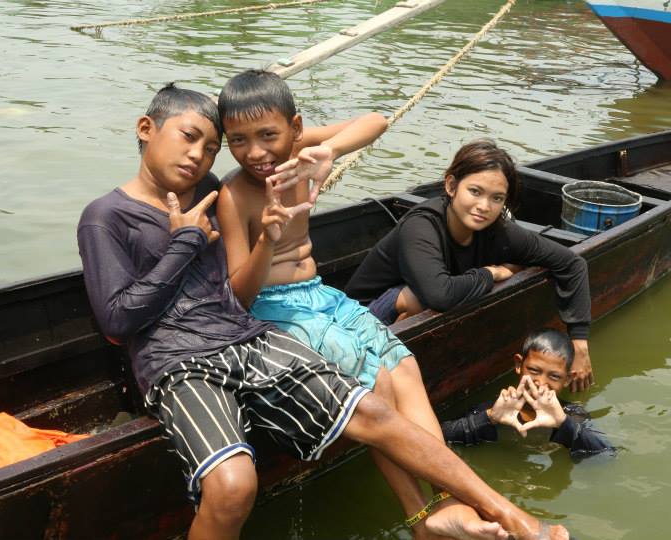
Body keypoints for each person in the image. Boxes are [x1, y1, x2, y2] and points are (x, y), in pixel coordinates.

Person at [76, 83, 569, 540]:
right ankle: (432, 513)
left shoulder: (209, 185)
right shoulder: (107, 216)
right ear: (146, 130)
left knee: (374, 405)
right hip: (178, 359)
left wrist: (314, 163)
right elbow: (118, 321)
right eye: (190, 138)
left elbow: (344, 129)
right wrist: (186, 239)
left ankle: (504, 512)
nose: (198, 155)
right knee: (233, 485)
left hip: (244, 336)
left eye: (209, 146)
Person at [214, 69, 491, 538]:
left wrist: (331, 150)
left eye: (268, 135)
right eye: (238, 140)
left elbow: (377, 120)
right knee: (377, 385)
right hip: (273, 309)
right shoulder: (234, 194)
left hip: (319, 294)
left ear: (295, 128)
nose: (256, 152)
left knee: (404, 366)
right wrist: (268, 237)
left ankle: (452, 500)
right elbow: (238, 295)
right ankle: (421, 516)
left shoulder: (303, 154)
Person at [345, 140, 595, 392]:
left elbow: (571, 263)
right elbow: (440, 295)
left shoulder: (498, 231)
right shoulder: (422, 226)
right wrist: (491, 273)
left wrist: (579, 343)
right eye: (475, 191)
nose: (484, 207)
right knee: (420, 297)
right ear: (451, 185)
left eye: (497, 198)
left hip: (420, 311)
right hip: (357, 319)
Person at [442, 329, 612, 456]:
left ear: (568, 379)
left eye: (554, 376)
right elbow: (438, 435)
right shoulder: (497, 408)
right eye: (534, 370)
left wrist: (563, 424)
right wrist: (489, 418)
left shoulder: (571, 415)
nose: (541, 383)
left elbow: (607, 454)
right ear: (518, 365)